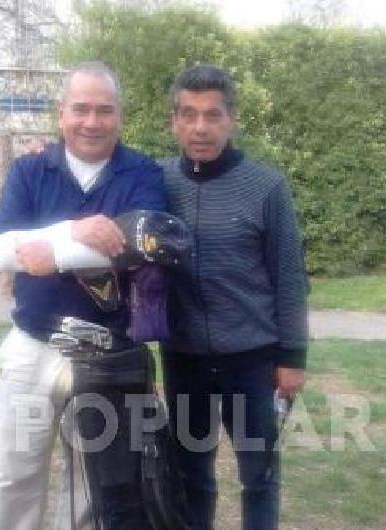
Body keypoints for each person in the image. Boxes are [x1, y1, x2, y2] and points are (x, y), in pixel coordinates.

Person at [0, 61, 166, 530]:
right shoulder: (30, 169)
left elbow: (136, 249)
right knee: (16, 474)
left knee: (91, 484)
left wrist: (53, 253)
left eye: (104, 110)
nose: (92, 122)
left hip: (107, 353)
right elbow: (4, 251)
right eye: (80, 109)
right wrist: (74, 233)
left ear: (119, 115)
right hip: (33, 347)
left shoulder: (143, 173)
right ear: (61, 112)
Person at [160, 64, 310, 530]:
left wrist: (292, 357)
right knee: (191, 475)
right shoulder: (157, 181)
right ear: (174, 121)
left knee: (259, 476)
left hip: (252, 360)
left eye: (212, 115)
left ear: (232, 120)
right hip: (183, 357)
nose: (200, 127)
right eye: (188, 114)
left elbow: (289, 275)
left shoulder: (266, 187)